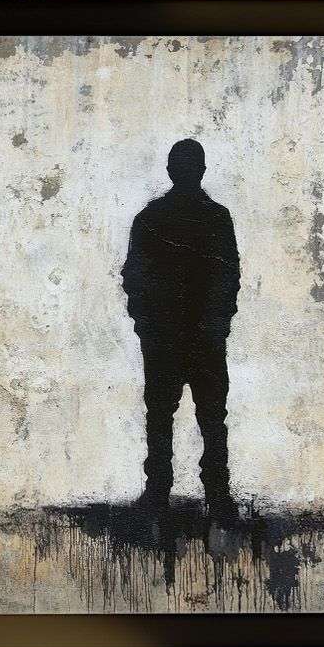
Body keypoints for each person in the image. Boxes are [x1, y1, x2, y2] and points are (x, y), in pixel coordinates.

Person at [120, 137, 240, 522]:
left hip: (178, 337)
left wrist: (147, 324)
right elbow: (228, 277)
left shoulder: (152, 218)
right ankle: (212, 498)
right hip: (191, 336)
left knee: (171, 416)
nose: (186, 173)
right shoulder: (212, 218)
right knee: (203, 416)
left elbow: (228, 277)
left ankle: (167, 495)